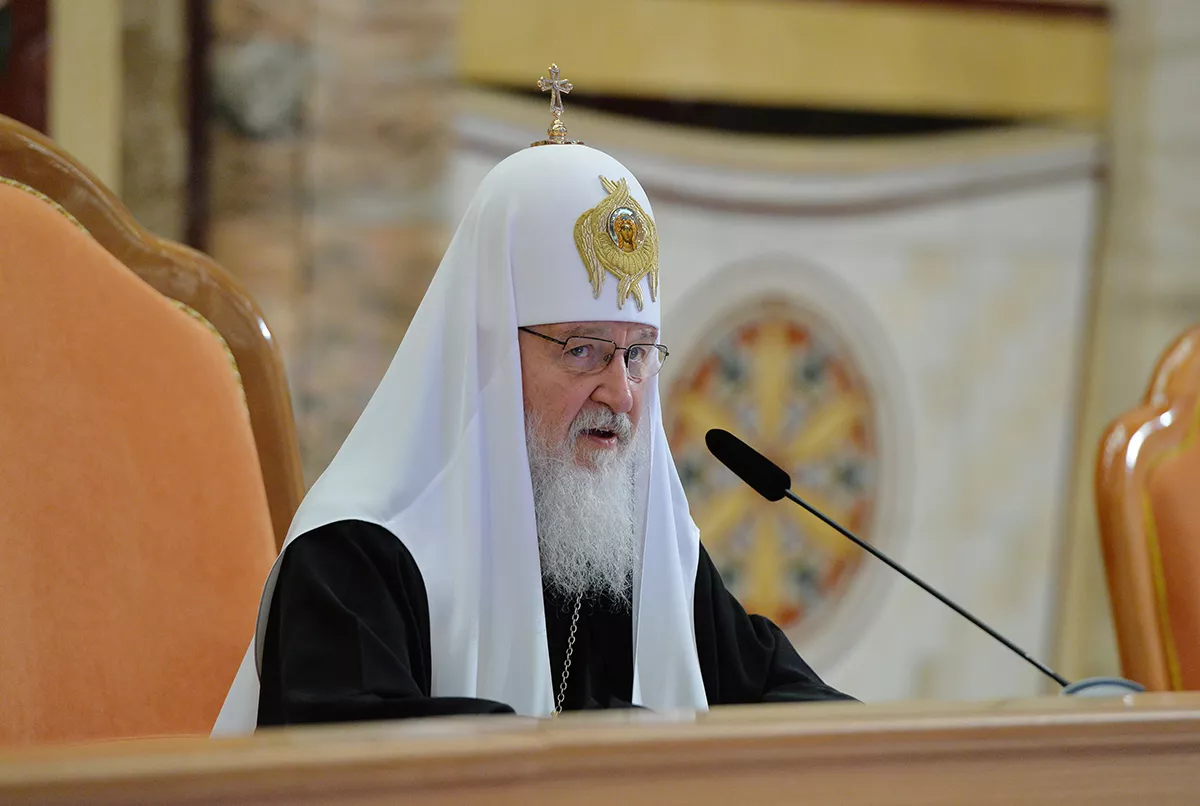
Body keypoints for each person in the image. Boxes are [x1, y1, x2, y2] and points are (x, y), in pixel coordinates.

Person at [213, 69, 852, 734]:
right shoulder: (353, 557)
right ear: (487, 353)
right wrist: (620, 745)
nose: (622, 393)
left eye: (638, 354)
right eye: (583, 350)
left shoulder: (638, 552)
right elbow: (358, 758)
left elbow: (794, 706)